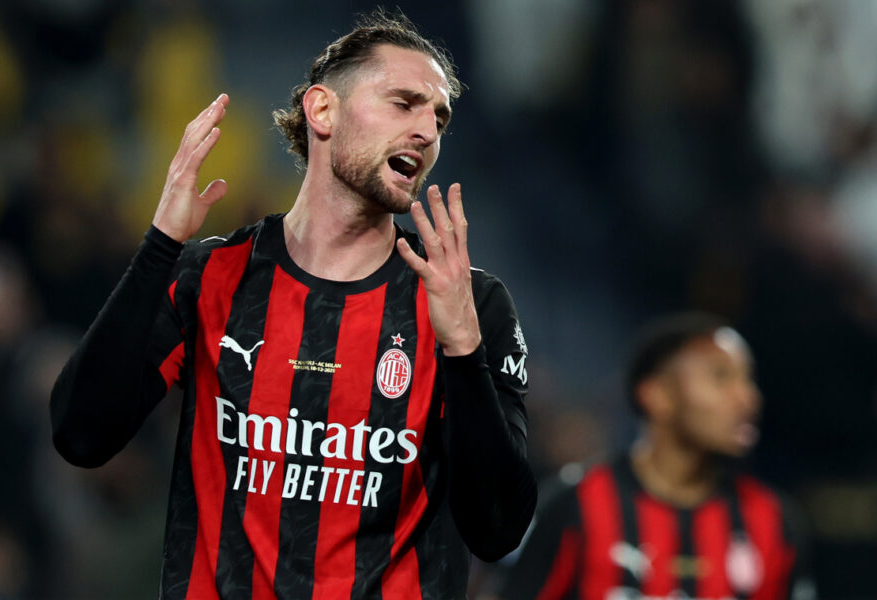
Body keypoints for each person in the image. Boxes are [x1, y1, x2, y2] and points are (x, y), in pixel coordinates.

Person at [50, 10, 536, 599]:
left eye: (439, 117)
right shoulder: (211, 275)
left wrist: (463, 352)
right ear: (322, 110)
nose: (427, 132)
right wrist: (158, 250)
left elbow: (499, 531)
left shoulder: (470, 303)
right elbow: (81, 436)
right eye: (403, 103)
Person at [500, 313, 816, 600]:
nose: (749, 399)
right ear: (657, 395)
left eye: (748, 380)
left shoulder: (772, 521)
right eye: (721, 378)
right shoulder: (575, 506)